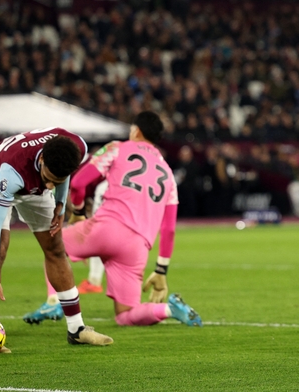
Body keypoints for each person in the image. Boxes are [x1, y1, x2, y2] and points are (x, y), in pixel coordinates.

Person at [25, 111, 202, 327]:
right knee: (126, 315)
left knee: (53, 244)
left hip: (107, 227)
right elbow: (169, 229)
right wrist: (160, 270)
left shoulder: (117, 148)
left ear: (136, 130)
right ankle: (167, 309)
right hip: (137, 247)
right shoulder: (167, 173)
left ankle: (54, 300)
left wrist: (79, 213)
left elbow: (79, 184)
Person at [0, 128, 113, 350]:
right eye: (49, 179)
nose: (50, 186)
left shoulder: (77, 148)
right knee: (0, 247)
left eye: (56, 182)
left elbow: (59, 177)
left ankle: (76, 329)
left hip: (31, 181)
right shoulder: (12, 173)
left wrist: (60, 203)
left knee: (55, 247)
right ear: (42, 159)